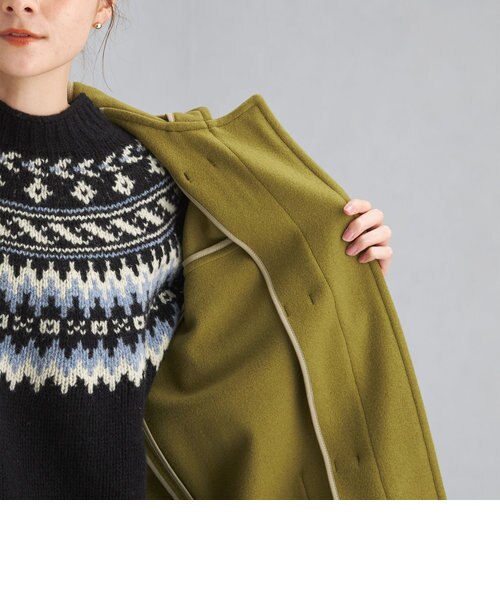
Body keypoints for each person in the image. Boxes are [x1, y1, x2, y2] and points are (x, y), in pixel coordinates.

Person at [0, 0, 394, 500]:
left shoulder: (159, 184)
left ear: (102, 7)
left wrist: (341, 273)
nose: (20, 3)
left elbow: (235, 378)